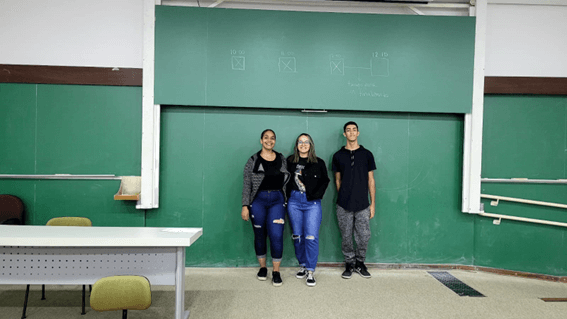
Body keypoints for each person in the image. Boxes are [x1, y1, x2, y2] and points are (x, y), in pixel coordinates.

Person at [241, 129, 290, 287]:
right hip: (258, 202)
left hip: (277, 200)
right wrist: (245, 206)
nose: (270, 140)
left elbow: (287, 181)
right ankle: (263, 268)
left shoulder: (281, 159)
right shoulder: (253, 160)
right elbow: (247, 184)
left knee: (276, 235)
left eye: (273, 138)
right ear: (261, 140)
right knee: (260, 234)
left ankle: (276, 271)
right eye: (266, 138)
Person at [331, 121, 376, 279]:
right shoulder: (338, 156)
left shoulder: (367, 154)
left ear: (358, 133)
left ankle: (360, 262)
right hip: (343, 205)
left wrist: (373, 204)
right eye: (348, 130)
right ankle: (349, 263)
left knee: (364, 236)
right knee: (346, 236)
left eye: (354, 130)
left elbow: (371, 180)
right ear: (344, 134)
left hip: (363, 204)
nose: (351, 132)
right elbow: (338, 181)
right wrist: (344, 194)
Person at [286, 133, 330, 287]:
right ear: (296, 145)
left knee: (311, 236)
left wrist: (315, 195)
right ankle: (303, 265)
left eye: (306, 142)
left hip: (312, 203)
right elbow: (284, 180)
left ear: (311, 145)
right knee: (298, 236)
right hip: (294, 202)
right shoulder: (290, 161)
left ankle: (311, 271)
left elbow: (325, 181)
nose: (303, 144)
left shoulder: (319, 162)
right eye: (300, 142)